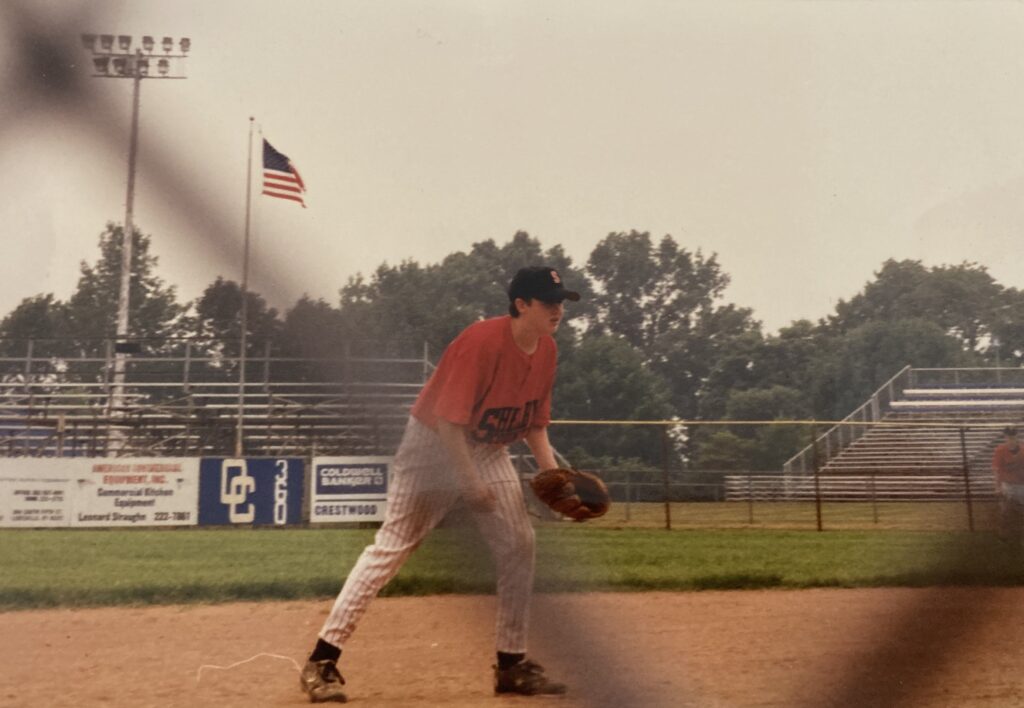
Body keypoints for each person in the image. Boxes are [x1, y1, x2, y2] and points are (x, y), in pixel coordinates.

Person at [299, 266, 579, 703]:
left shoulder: (546, 351)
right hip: (434, 446)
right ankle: (321, 660)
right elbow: (449, 422)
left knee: (520, 544)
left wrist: (553, 479)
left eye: (561, 302)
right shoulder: (480, 342)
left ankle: (511, 664)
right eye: (549, 302)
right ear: (521, 305)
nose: (558, 310)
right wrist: (470, 485)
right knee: (392, 548)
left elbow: (535, 424)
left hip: (486, 448)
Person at [992, 426, 1024, 543]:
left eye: (1013, 436)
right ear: (1005, 437)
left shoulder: (1023, 449)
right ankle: (1004, 534)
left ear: (1017, 436)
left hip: (1022, 485)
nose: (1011, 439)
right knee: (1005, 512)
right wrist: (997, 487)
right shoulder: (1000, 450)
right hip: (1007, 485)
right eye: (1008, 436)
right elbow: (996, 469)